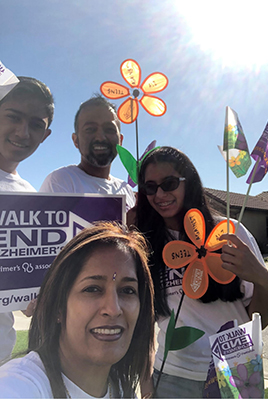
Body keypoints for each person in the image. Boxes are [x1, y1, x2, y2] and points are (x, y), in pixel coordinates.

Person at [128, 146, 268, 398]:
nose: (160, 194)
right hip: (171, 376)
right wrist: (146, 382)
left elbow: (261, 319)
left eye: (170, 183)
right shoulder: (145, 242)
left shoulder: (229, 233)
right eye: (150, 187)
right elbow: (142, 322)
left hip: (234, 371)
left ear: (189, 182)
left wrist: (262, 279)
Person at [0, 221, 155, 398]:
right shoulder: (18, 387)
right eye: (92, 289)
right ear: (58, 306)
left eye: (127, 291)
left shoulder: (120, 389)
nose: (113, 309)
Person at [0, 76, 53, 364]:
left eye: (36, 124)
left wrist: (31, 298)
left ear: (45, 136)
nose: (23, 132)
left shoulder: (31, 198)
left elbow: (20, 299)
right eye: (13, 117)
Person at [40, 94, 135, 211]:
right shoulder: (62, 181)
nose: (100, 137)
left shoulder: (126, 190)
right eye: (90, 129)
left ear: (120, 140)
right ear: (75, 140)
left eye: (109, 129)